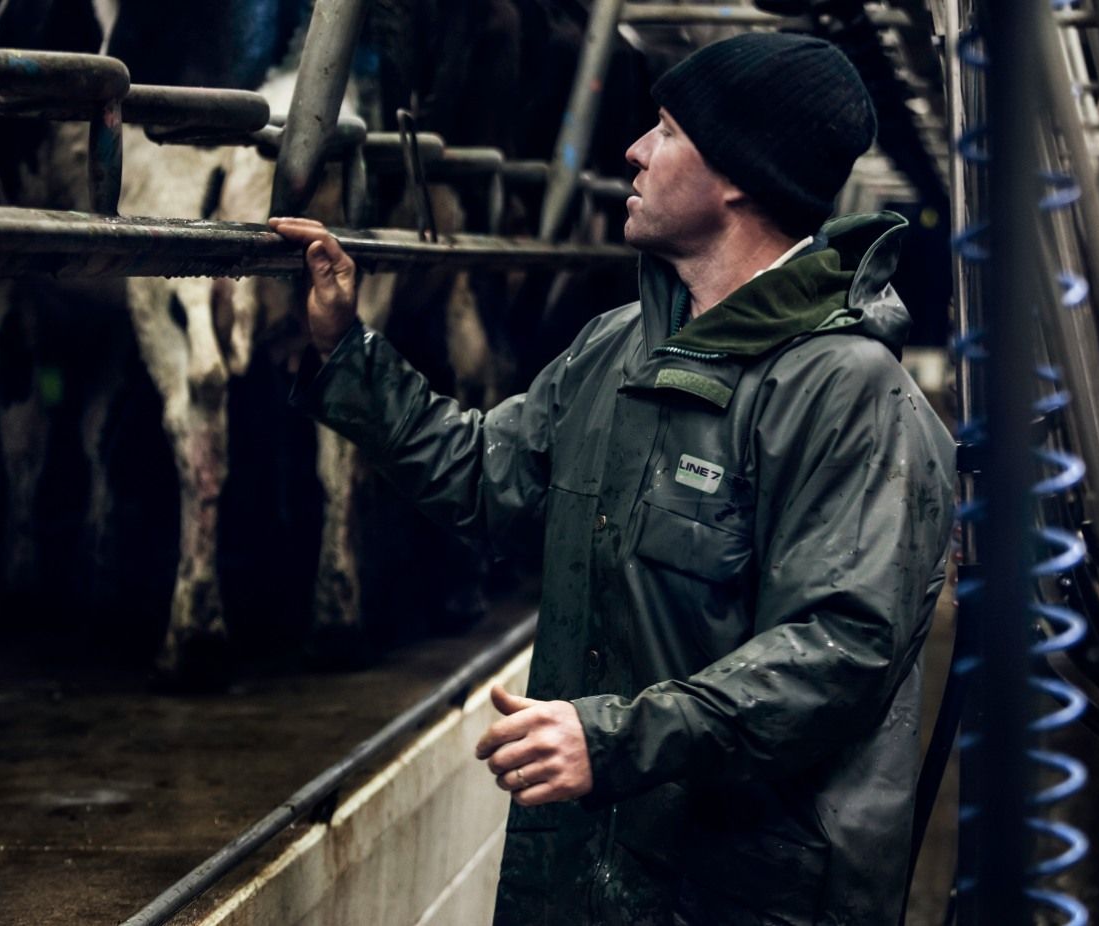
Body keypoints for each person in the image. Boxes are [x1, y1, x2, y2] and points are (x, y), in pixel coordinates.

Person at [272, 31, 954, 926]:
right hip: (583, 880)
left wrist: (611, 738)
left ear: (737, 176)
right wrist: (344, 349)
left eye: (665, 131)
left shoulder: (848, 394)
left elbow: (837, 652)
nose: (632, 150)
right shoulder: (616, 349)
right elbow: (485, 479)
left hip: (746, 893)